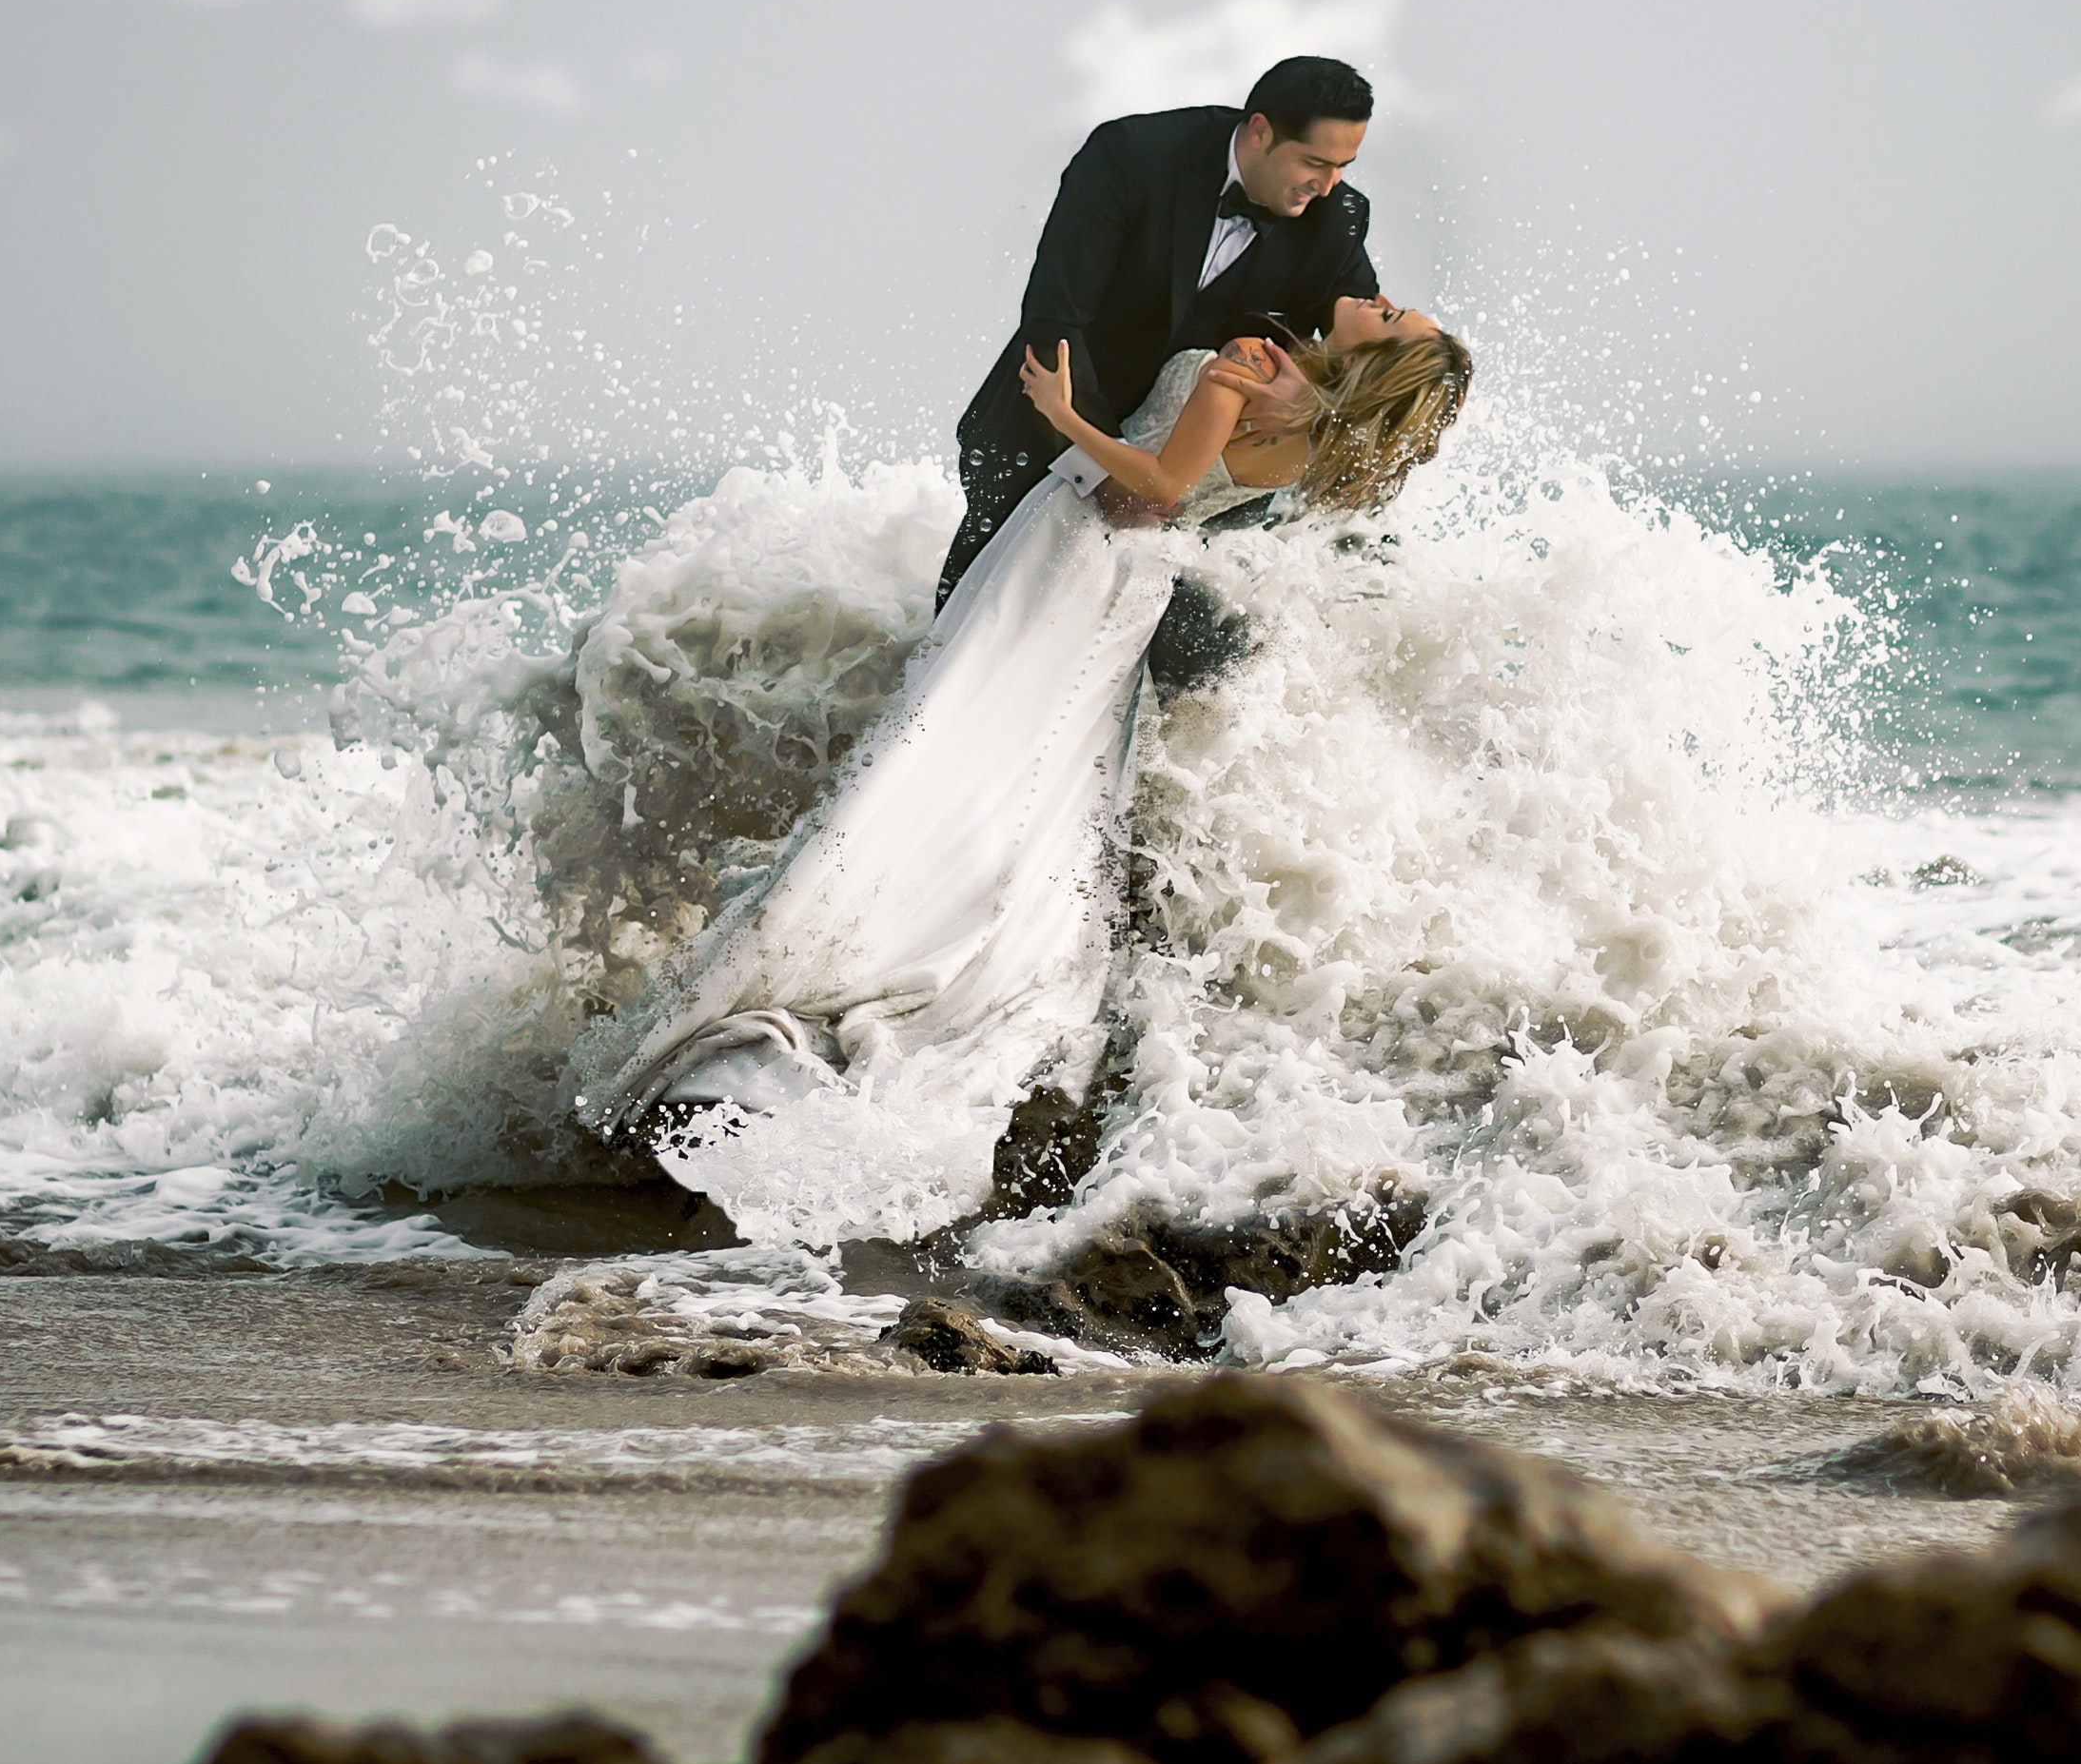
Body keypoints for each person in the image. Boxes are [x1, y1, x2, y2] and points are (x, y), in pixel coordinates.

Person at [585, 296, 1471, 1240]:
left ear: (1375, 356)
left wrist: (1063, 413)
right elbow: (1183, 501)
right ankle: (959, 912)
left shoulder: (1245, 373)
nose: (1373, 297)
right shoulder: (1314, 433)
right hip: (1128, 586)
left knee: (956, 728)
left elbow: (1164, 486)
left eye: (1387, 313)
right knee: (1034, 767)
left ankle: (863, 912)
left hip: (1072, 552)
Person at [936, 56, 1388, 626]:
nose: (1328, 187)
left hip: (1190, 489)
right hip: (1047, 430)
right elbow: (1055, 319)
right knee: (965, 630)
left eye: (1343, 166)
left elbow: (1373, 347)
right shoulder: (1132, 155)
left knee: (1169, 664)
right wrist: (1100, 470)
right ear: (1260, 131)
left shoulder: (1337, 217)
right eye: (1315, 163)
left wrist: (1314, 404)